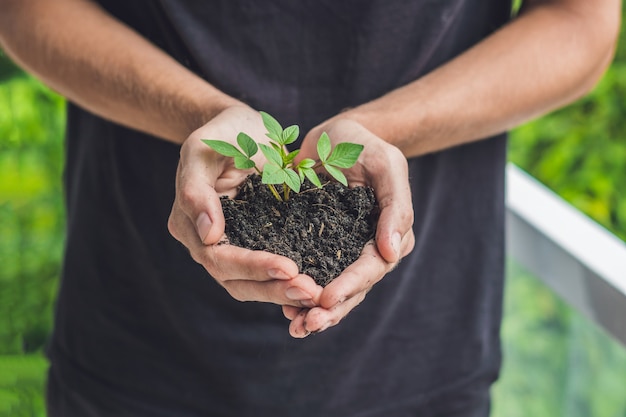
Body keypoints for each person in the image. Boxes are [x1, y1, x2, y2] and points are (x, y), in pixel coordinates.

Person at [0, 0, 620, 416]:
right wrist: (200, 117)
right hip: (136, 337)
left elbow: (578, 23)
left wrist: (381, 128)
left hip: (418, 353)